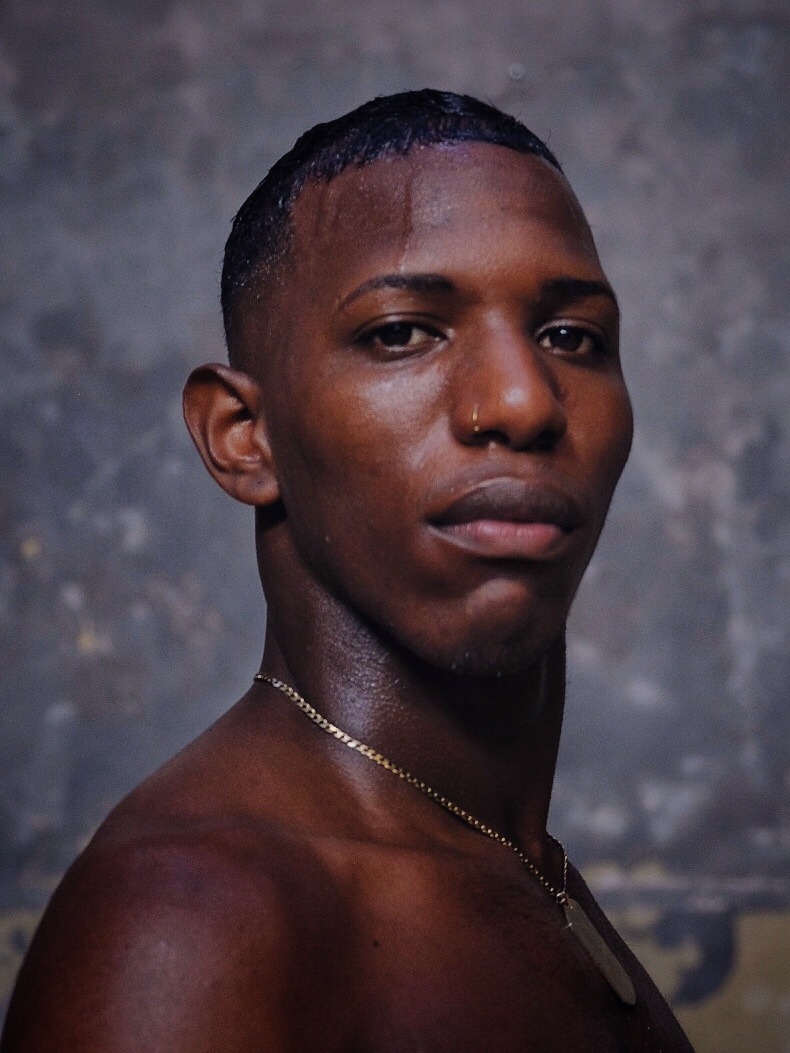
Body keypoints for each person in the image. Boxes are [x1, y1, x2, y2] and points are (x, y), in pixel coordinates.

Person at [1, 90, 695, 1052]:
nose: (523, 400)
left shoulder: (512, 861)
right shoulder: (190, 919)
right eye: (402, 332)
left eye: (571, 337)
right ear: (245, 438)